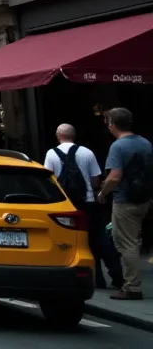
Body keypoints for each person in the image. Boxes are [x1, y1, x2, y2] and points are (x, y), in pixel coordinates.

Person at [44, 123, 122, 289]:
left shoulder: (51, 153)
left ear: (58, 136)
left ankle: (94, 278)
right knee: (99, 239)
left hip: (66, 205)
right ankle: (117, 276)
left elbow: (49, 181)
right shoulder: (87, 152)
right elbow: (95, 180)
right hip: (88, 202)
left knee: (73, 241)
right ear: (74, 136)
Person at [98, 107, 152, 301]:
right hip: (143, 199)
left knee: (127, 244)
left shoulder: (118, 147)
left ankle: (132, 287)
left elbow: (114, 177)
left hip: (125, 200)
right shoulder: (145, 143)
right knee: (135, 241)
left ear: (112, 125)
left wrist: (103, 193)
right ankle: (132, 284)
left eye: (107, 122)